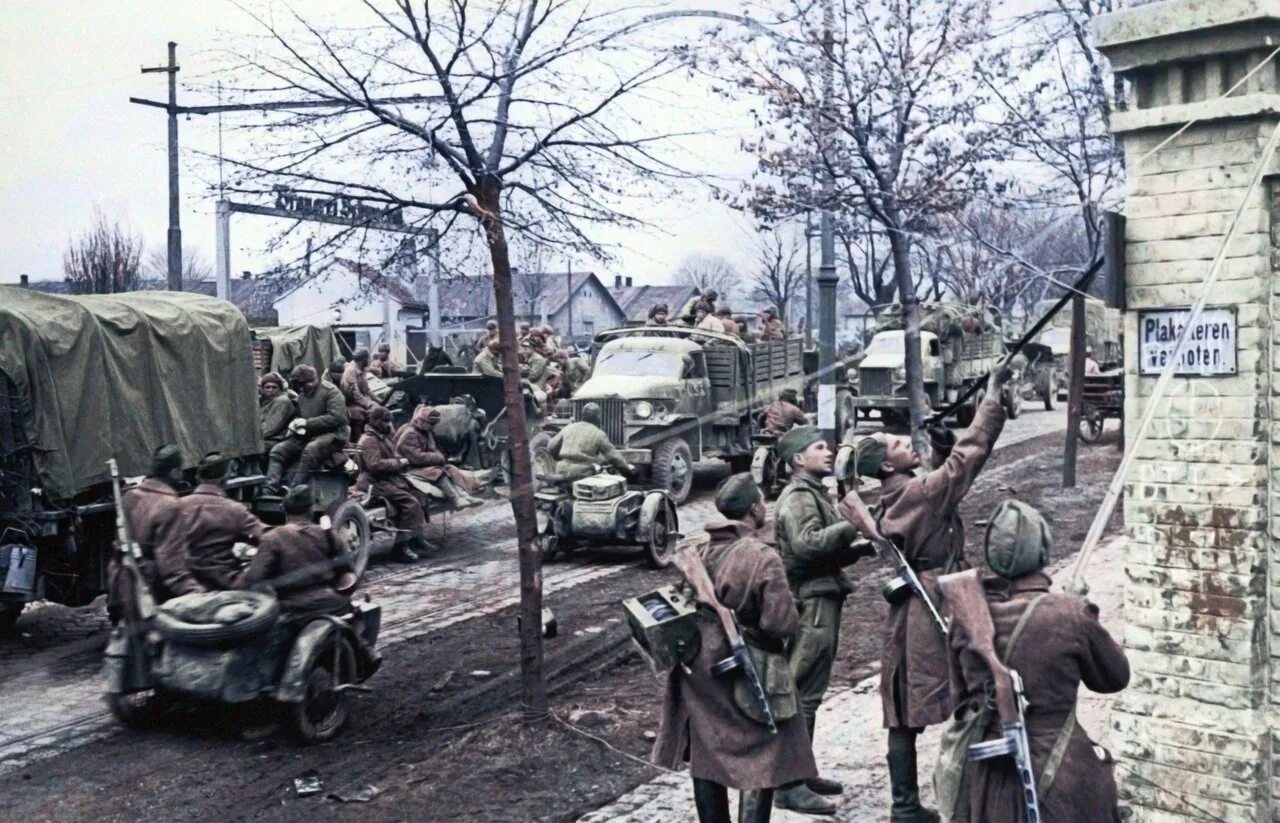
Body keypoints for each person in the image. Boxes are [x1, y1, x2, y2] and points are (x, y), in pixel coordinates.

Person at [853, 355, 1013, 822]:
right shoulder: (919, 493)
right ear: (886, 464)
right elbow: (967, 461)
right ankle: (974, 790)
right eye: (900, 443)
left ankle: (904, 804)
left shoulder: (893, 494)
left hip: (913, 603)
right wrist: (991, 400)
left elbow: (946, 468)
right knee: (976, 681)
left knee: (903, 706)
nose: (909, 443)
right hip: (941, 599)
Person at [942, 500, 1129, 823]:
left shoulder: (967, 617)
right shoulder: (1069, 614)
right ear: (1042, 550)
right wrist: (1079, 610)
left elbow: (959, 699)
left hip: (991, 783)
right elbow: (1114, 678)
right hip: (1063, 775)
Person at [653, 473, 817, 823]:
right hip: (750, 664)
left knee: (707, 751)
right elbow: (780, 624)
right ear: (755, 509)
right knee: (764, 751)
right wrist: (795, 608)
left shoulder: (698, 551)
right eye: (761, 502)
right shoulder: (762, 556)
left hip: (699, 665)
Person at [772, 426, 876, 814]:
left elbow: (820, 550)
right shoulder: (799, 497)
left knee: (811, 694)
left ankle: (802, 770)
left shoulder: (812, 493)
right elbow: (806, 545)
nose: (828, 452)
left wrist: (856, 550)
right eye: (818, 448)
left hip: (822, 597)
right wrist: (852, 523)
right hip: (811, 603)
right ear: (798, 459)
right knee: (800, 694)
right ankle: (788, 784)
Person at [108, 444, 206, 621]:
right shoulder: (170, 505)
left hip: (121, 584)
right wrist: (198, 595)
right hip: (150, 593)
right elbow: (171, 566)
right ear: (175, 472)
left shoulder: (129, 495)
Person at [242, 485, 357, 619]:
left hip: (293, 609)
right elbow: (348, 572)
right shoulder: (327, 535)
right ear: (311, 509)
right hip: (331, 604)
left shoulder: (272, 538)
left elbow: (253, 579)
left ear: (284, 510)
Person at [178, 452, 264, 591]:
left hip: (187, 583)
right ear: (225, 478)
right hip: (225, 582)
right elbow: (267, 537)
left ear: (197, 477)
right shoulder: (234, 509)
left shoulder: (177, 506)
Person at [357, 405, 433, 562]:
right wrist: (398, 462)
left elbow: (395, 453)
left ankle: (416, 538)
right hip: (374, 482)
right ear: (377, 422)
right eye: (386, 422)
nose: (389, 425)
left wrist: (401, 461)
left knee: (419, 495)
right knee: (409, 503)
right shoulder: (369, 440)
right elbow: (374, 465)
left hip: (388, 479)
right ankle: (400, 548)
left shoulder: (382, 437)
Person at [266, 364, 350, 492]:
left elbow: (337, 418)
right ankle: (270, 488)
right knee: (278, 451)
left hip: (333, 436)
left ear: (311, 381)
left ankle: (293, 490)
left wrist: (306, 423)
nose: (300, 388)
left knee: (310, 450)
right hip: (308, 434)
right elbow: (300, 416)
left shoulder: (331, 392)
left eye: (302, 385)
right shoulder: (302, 396)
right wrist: (295, 426)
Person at [395, 405, 484, 510]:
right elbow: (416, 457)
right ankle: (455, 499)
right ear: (421, 421)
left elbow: (433, 449)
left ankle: (464, 496)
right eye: (431, 424)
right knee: (437, 472)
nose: (433, 427)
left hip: (423, 465)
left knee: (451, 470)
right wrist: (438, 457)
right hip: (410, 468)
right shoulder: (409, 434)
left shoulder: (425, 432)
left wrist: (439, 456)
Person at [547, 401, 634, 482]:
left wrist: (561, 458)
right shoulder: (599, 434)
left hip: (561, 470)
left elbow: (551, 447)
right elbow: (614, 458)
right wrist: (629, 473)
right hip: (581, 474)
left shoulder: (568, 427)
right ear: (598, 417)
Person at [341, 349, 383, 439]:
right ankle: (360, 439)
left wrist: (377, 399)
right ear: (362, 359)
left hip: (360, 400)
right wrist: (369, 404)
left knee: (380, 408)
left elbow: (366, 390)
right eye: (367, 358)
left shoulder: (362, 369)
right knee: (373, 412)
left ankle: (373, 437)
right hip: (350, 402)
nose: (369, 361)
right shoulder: (350, 371)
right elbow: (355, 395)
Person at [259, 372, 296, 451]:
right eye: (267, 387)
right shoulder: (263, 401)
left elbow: (271, 428)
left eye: (274, 387)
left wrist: (250, 438)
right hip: (262, 438)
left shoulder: (282, 401)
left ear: (280, 389)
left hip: (276, 440)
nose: (271, 390)